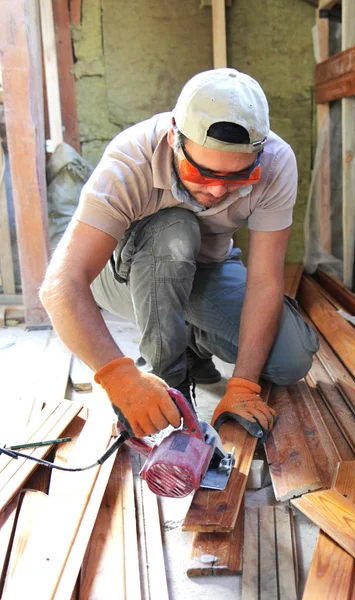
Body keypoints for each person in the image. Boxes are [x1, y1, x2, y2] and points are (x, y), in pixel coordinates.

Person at [40, 68, 319, 440]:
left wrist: (244, 384)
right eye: (202, 173)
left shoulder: (276, 162)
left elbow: (266, 280)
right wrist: (119, 378)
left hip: (204, 268)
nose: (219, 191)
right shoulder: (130, 160)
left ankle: (190, 343)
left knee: (290, 357)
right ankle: (168, 385)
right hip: (121, 277)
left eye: (237, 177)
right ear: (174, 137)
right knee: (175, 230)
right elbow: (61, 286)